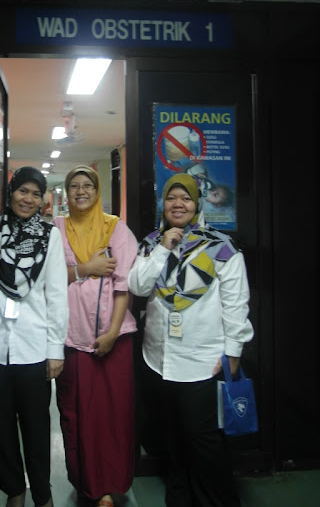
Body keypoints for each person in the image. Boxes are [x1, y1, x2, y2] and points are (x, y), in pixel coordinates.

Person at [128, 173, 254, 507]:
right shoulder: (151, 243)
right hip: (158, 360)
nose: (178, 204)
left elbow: (236, 304)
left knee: (204, 443)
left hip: (203, 362)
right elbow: (138, 286)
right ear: (164, 204)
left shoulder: (222, 247)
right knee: (172, 441)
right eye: (172, 198)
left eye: (185, 198)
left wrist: (233, 352)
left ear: (197, 204)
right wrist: (163, 248)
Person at [0, 166, 68, 507]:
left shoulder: (49, 236)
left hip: (34, 348)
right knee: (0, 429)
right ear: (10, 193)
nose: (28, 199)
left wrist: (55, 349)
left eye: (35, 193)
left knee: (37, 429)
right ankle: (14, 492)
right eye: (22, 191)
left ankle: (42, 496)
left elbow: (56, 294)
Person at [53, 165, 138, 507]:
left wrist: (113, 332)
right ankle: (87, 481)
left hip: (113, 340)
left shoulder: (116, 228)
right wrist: (85, 269)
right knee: (77, 413)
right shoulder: (57, 229)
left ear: (97, 189)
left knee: (112, 414)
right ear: (67, 192)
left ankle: (110, 485)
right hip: (72, 339)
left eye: (87, 185)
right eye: (74, 185)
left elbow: (123, 284)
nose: (81, 191)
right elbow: (47, 277)